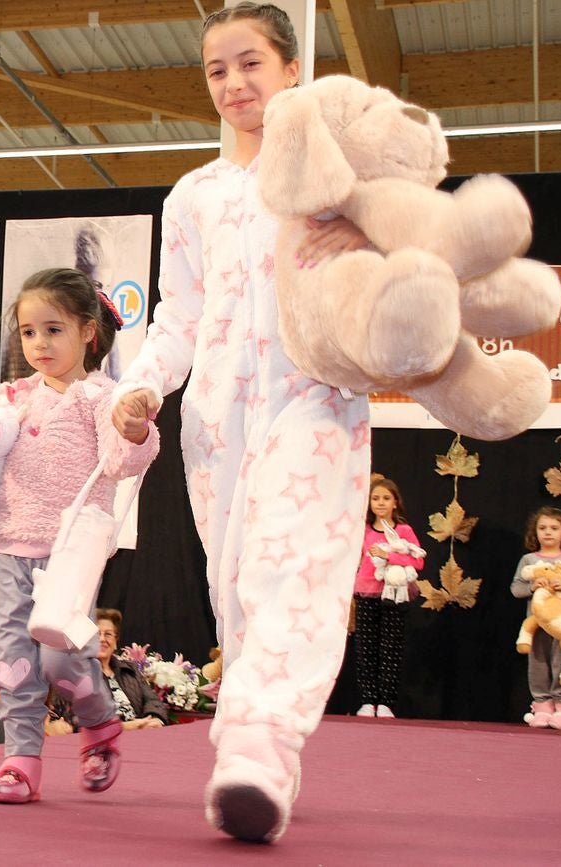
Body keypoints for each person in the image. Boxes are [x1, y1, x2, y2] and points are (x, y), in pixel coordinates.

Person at [111, 2, 372, 843]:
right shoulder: (193, 196)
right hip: (218, 419)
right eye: (217, 70)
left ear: (292, 68)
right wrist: (146, 383)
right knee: (235, 588)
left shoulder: (342, 174)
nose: (233, 83)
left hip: (317, 396)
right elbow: (178, 316)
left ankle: (258, 744)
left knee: (289, 567)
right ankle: (263, 770)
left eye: (250, 63)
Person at [0, 266, 157, 805]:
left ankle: (99, 724)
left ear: (87, 332)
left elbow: (126, 459)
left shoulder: (101, 398)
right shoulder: (9, 396)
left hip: (70, 552)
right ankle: (20, 762)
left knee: (59, 658)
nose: (39, 343)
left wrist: (136, 428)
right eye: (28, 332)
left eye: (53, 330)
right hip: (9, 547)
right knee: (13, 661)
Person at [510, 506, 561, 731]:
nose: (548, 533)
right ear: (535, 533)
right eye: (543, 528)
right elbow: (516, 589)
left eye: (554, 528)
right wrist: (531, 585)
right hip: (538, 623)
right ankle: (542, 705)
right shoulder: (528, 560)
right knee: (537, 664)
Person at [352, 478, 424, 719]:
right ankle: (367, 700)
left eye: (385, 498)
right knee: (366, 647)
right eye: (375, 498)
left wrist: (388, 556)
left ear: (395, 503)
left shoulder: (403, 531)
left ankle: (385, 702)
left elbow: (418, 560)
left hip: (394, 593)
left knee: (390, 647)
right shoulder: (363, 531)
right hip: (366, 592)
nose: (380, 503)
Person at [53, 609, 170, 731]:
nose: (102, 639)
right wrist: (125, 727)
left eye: (108, 634)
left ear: (115, 641)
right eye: (96, 634)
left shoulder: (130, 669)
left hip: (141, 734)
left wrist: (154, 719)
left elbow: (153, 701)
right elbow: (73, 719)